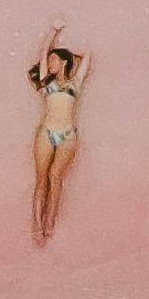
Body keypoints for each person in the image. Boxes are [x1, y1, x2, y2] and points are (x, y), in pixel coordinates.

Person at [27, 34, 89, 248]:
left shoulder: (75, 83)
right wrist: (53, 34)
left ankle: (49, 223)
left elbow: (87, 55)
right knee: (41, 179)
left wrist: (66, 51)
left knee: (55, 178)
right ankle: (37, 224)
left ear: (64, 62)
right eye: (49, 60)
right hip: (47, 132)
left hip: (67, 135)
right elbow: (43, 53)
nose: (50, 63)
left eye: (54, 60)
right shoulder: (47, 82)